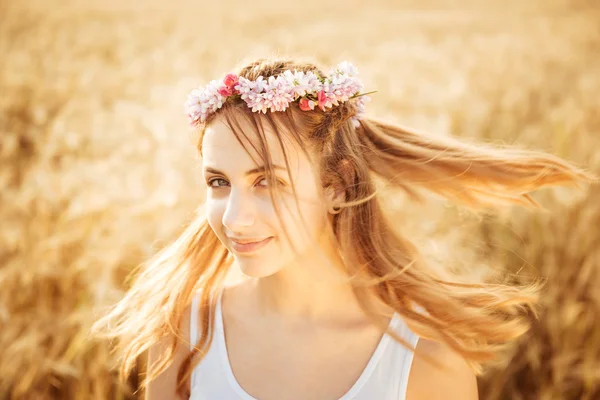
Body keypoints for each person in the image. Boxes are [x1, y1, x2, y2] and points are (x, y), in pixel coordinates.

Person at [91, 56, 596, 400]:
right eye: (218, 181)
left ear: (336, 186)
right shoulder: (184, 336)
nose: (235, 217)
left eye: (268, 181)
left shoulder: (427, 362)